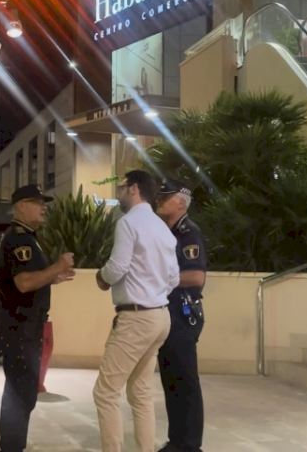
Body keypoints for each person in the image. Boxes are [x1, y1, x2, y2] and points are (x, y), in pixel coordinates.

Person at [93, 170, 179, 452]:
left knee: (106, 392)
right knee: (140, 393)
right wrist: (153, 292)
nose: (118, 193)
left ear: (133, 188)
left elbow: (118, 267)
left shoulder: (128, 222)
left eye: (121, 187)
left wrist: (102, 277)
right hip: (160, 316)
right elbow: (173, 278)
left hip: (137, 317)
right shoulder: (162, 228)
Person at [0, 184, 75, 452]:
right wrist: (57, 266)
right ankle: (11, 447)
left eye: (44, 203)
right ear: (20, 206)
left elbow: (31, 281)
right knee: (20, 392)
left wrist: (53, 277)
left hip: (26, 326)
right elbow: (24, 283)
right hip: (20, 327)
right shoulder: (19, 239)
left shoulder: (28, 237)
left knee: (24, 392)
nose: (44, 207)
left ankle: (13, 445)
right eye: (37, 203)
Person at [155, 180, 207, 452]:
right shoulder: (169, 232)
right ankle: (177, 441)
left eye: (165, 197)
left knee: (185, 381)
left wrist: (160, 280)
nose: (159, 201)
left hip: (183, 314)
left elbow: (196, 276)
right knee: (172, 379)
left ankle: (189, 445)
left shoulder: (188, 232)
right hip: (170, 313)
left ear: (180, 203)